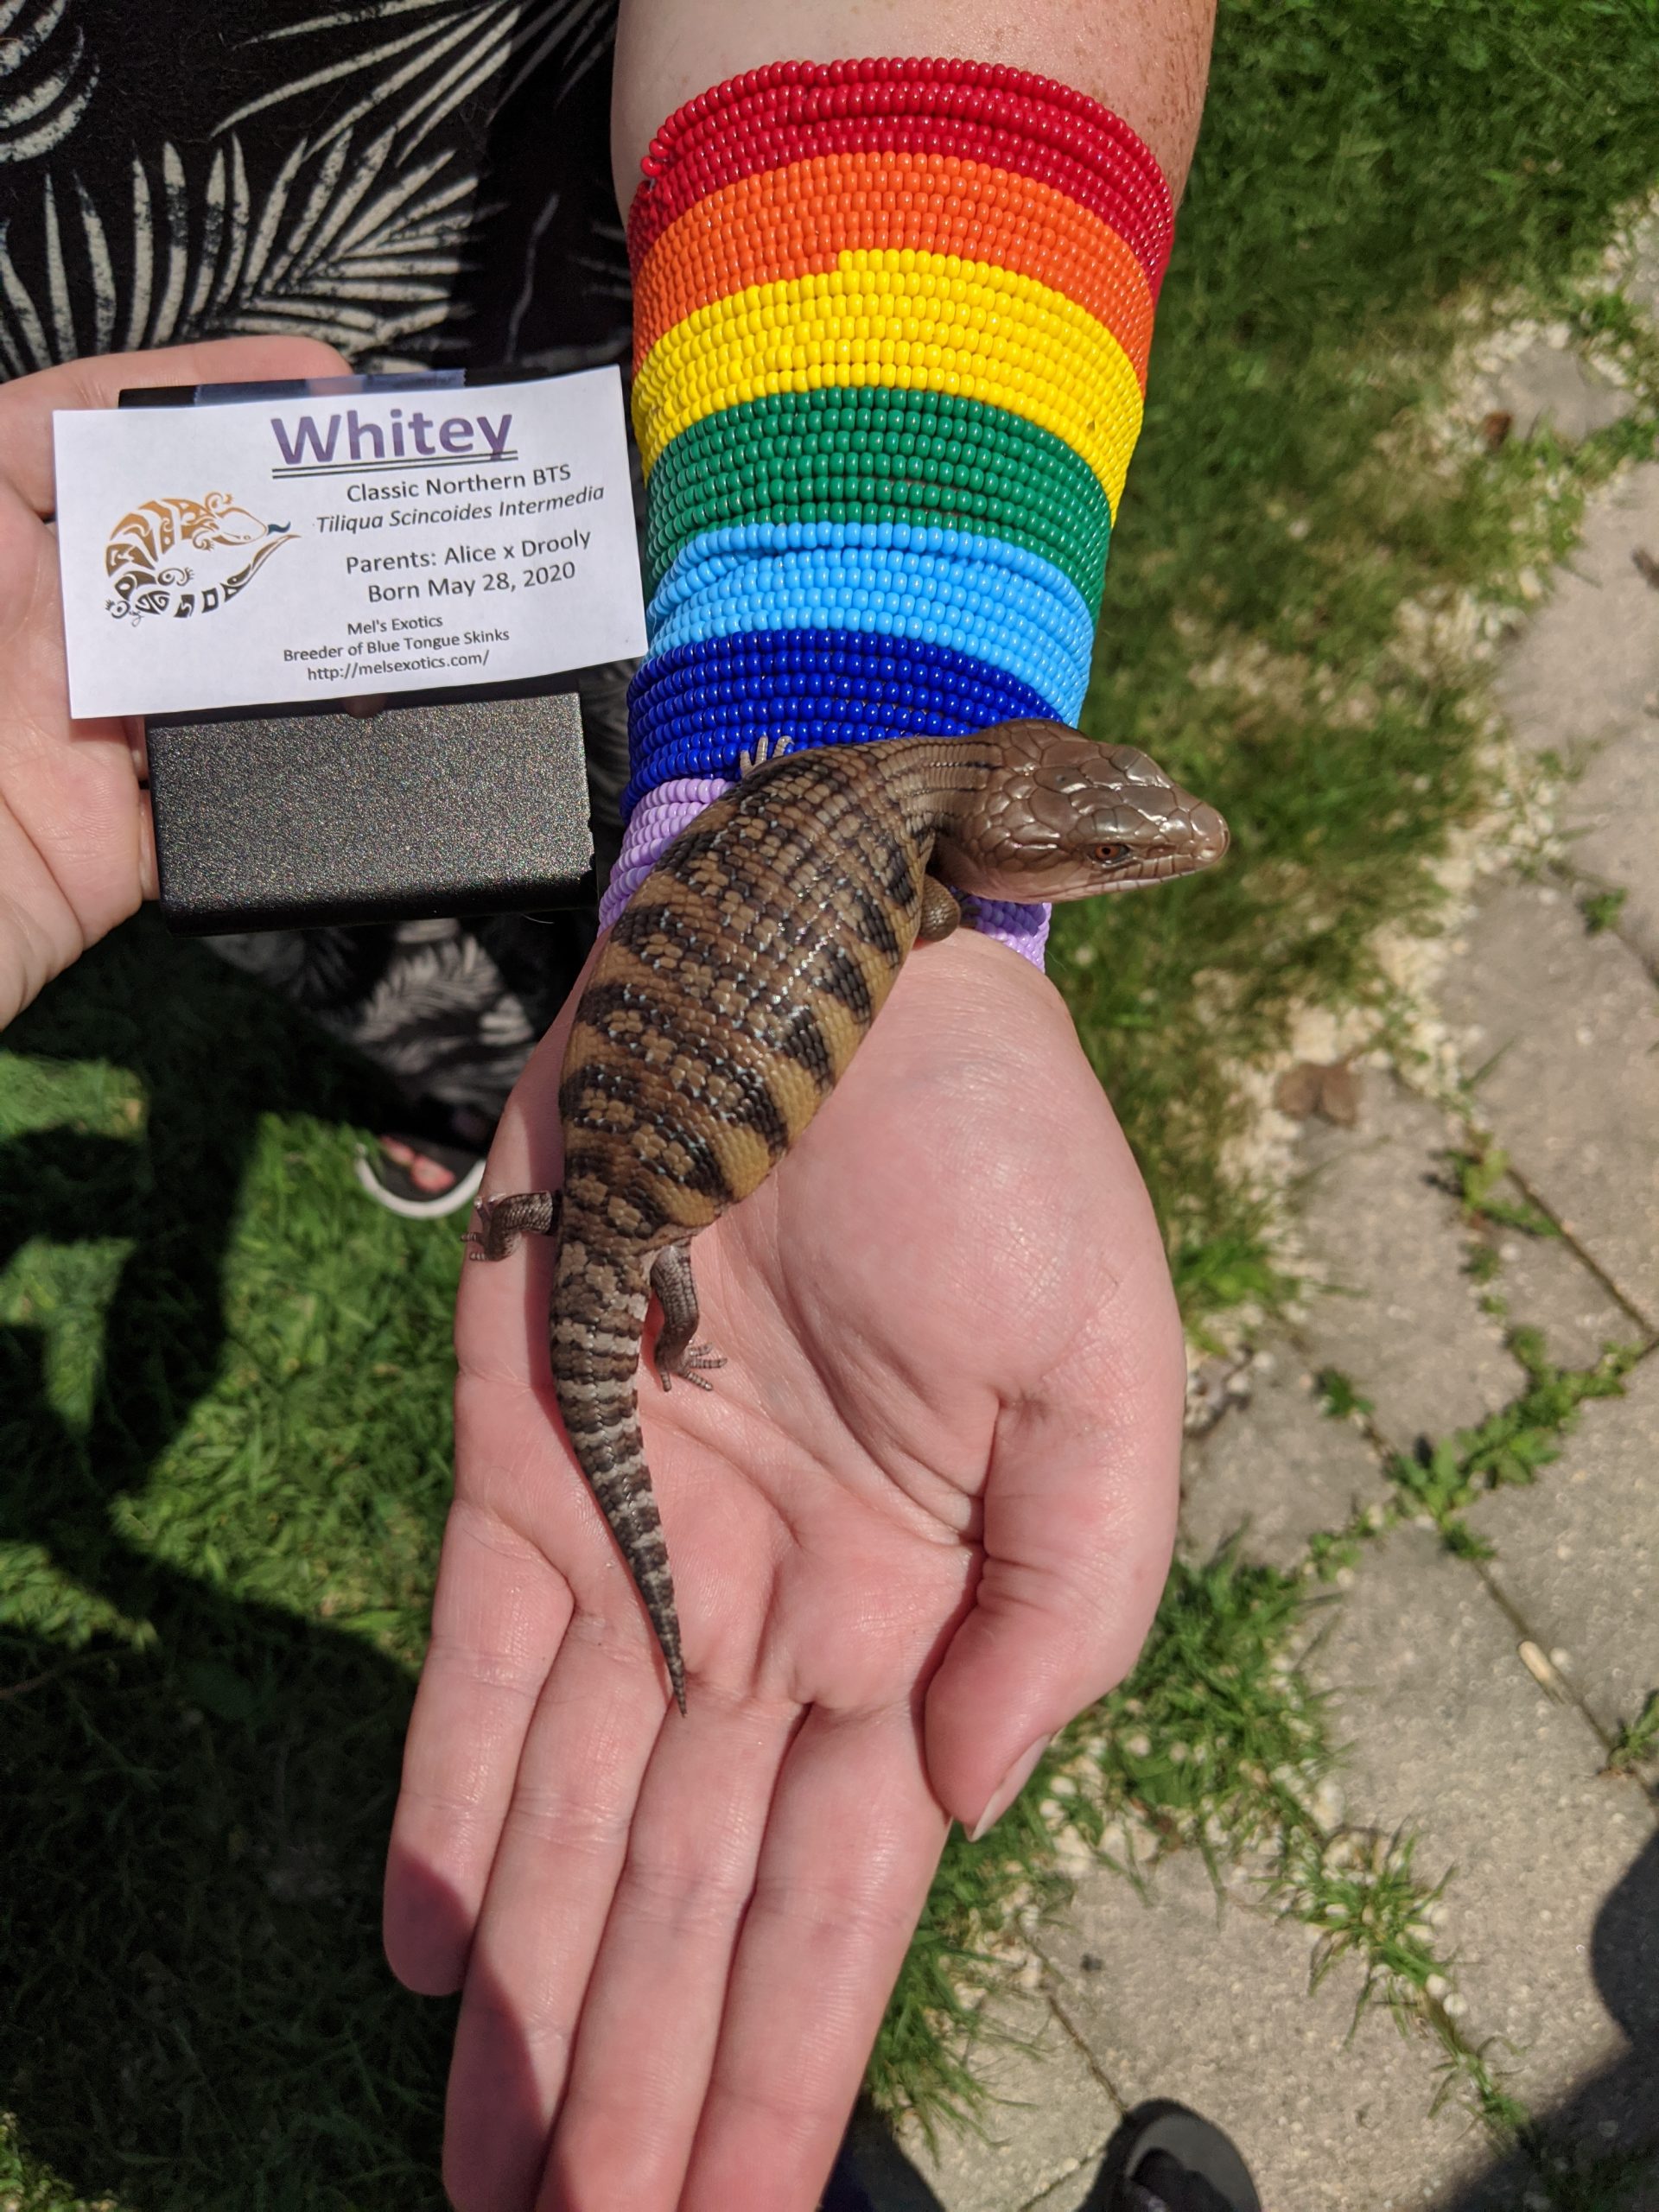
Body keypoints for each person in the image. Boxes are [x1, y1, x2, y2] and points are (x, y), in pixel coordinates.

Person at [0, 0, 1223, 2204]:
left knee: (481, 936)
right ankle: (483, 1125)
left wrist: (859, 607)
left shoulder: (909, 802)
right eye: (1103, 853)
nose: (1144, 849)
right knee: (395, 936)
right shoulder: (914, 837)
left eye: (1109, 843)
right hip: (239, 597)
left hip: (535, 390)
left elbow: (816, 791)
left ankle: (484, 1113)